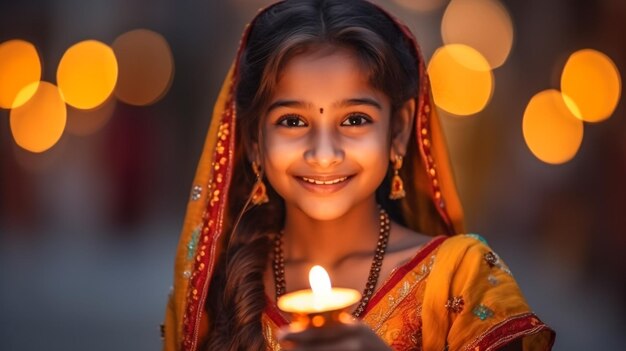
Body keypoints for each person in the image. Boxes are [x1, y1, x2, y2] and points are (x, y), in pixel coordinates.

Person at [162, 1, 556, 350]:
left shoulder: (460, 278)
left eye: (354, 119)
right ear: (253, 139)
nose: (324, 154)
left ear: (398, 131)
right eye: (293, 120)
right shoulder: (217, 291)